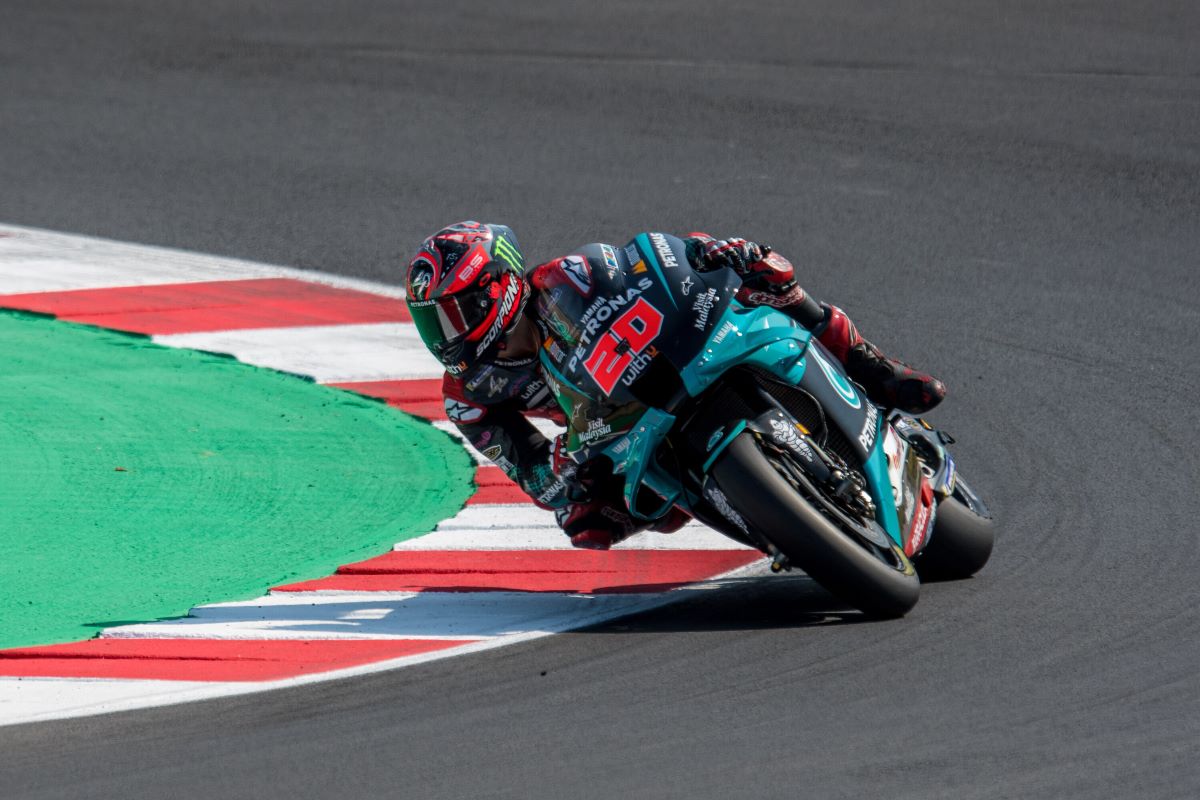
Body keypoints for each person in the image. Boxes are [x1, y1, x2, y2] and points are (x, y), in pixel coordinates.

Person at [405, 221, 945, 549]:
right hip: (613, 435)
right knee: (585, 524)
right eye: (434, 324)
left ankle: (871, 366)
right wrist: (563, 469)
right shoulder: (469, 396)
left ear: (497, 286)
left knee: (764, 276)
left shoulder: (568, 276)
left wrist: (711, 254)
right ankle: (763, 516)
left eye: (455, 314)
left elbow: (654, 261)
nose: (446, 337)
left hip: (672, 359)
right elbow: (533, 479)